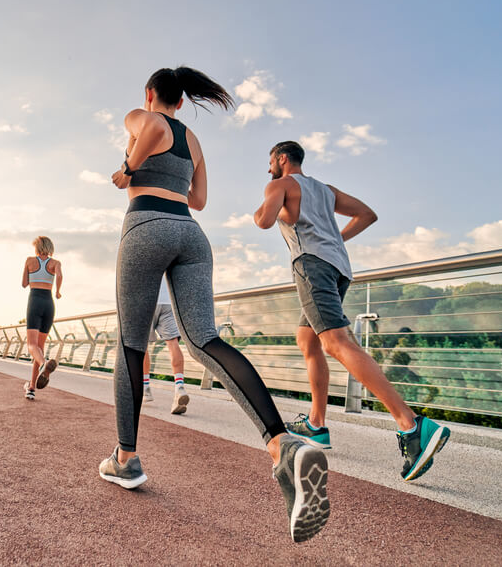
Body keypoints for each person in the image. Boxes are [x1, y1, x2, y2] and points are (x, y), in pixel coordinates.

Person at [98, 67, 329, 543]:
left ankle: (125, 458)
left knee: (130, 345)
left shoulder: (142, 116)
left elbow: (142, 144)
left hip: (146, 226)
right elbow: (199, 199)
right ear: (183, 101)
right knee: (205, 339)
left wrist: (126, 171)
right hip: (191, 235)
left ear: (151, 94)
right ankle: (282, 444)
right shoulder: (195, 141)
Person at [253, 141, 450, 481]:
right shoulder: (325, 190)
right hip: (338, 268)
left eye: (270, 160)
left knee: (336, 342)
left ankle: (412, 424)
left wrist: (268, 203)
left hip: (311, 266)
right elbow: (367, 214)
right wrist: (336, 239)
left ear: (282, 159)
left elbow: (263, 221)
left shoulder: (280, 184)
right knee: (309, 340)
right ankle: (316, 424)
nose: (268, 166)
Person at [21, 236, 63, 400]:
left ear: (37, 248)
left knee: (31, 345)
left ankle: (44, 365)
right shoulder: (55, 263)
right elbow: (59, 276)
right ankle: (31, 387)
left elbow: (24, 283)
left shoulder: (30, 261)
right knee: (39, 347)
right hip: (49, 303)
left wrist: (30, 272)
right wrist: (58, 291)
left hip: (35, 300)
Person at [141, 277, 190, 415]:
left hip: (147, 300)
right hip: (168, 302)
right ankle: (179, 386)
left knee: (141, 344)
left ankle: (145, 388)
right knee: (173, 343)